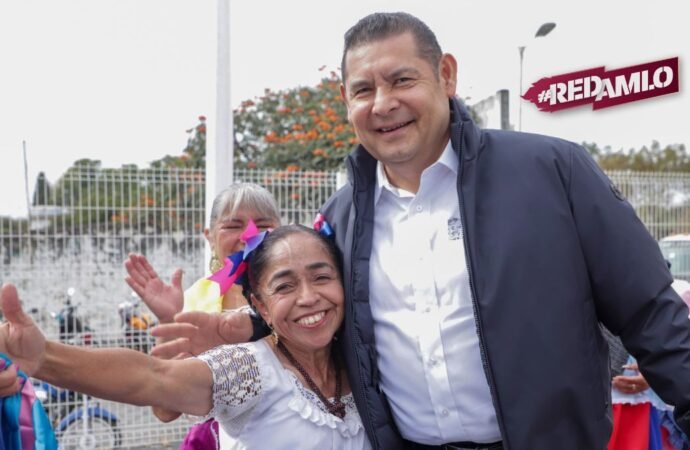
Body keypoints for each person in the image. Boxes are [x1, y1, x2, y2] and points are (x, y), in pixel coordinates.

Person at [150, 11, 690, 450]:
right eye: (363, 90)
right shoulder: (342, 219)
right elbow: (327, 319)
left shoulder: (553, 172)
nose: (383, 104)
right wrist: (243, 328)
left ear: (446, 76)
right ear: (347, 104)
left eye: (401, 79)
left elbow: (649, 311)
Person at [0, 225, 371, 450]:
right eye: (285, 285)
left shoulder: (365, 361)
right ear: (259, 303)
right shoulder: (250, 368)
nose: (308, 298)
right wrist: (44, 357)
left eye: (322, 277)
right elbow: (153, 378)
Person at [124, 182, 281, 448]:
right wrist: (168, 320)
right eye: (233, 226)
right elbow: (164, 411)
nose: (247, 236)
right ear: (209, 237)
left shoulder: (301, 294)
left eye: (263, 225)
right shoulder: (195, 299)